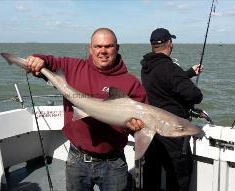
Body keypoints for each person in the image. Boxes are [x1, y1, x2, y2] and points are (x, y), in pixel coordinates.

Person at [27, 28, 147, 191]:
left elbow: (140, 128)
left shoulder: (130, 82)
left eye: (108, 46)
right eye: (97, 46)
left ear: (117, 48)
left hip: (113, 163)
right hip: (77, 159)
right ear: (90, 48)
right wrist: (38, 59)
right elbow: (49, 62)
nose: (103, 51)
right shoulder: (73, 67)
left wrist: (133, 128)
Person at [140, 28, 203, 191]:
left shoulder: (147, 66)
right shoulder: (170, 68)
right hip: (172, 131)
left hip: (152, 129)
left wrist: (188, 73)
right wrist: (187, 82)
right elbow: (195, 96)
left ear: (153, 46)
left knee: (151, 173)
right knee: (179, 176)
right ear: (170, 43)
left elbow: (164, 80)